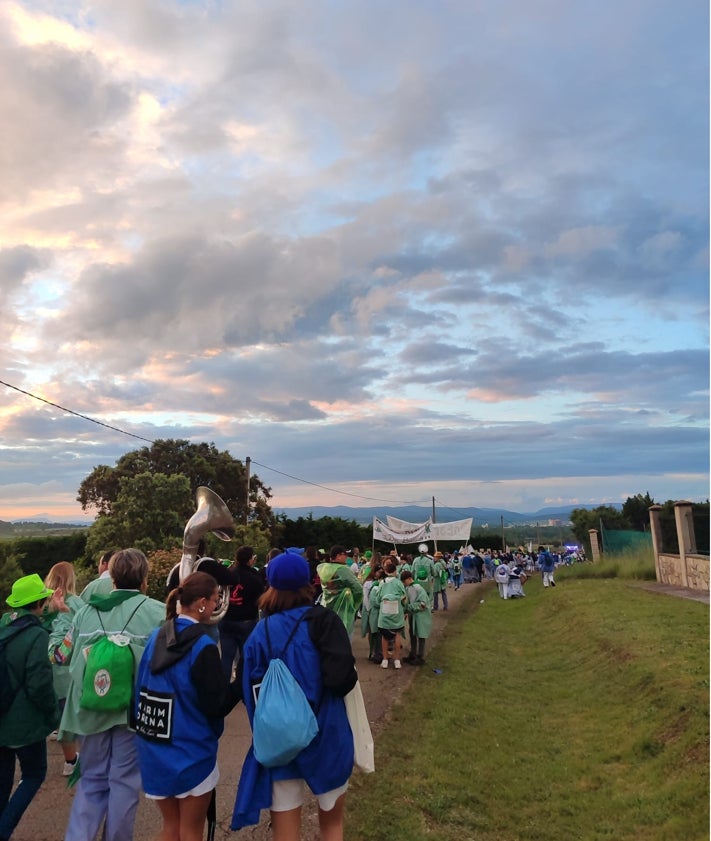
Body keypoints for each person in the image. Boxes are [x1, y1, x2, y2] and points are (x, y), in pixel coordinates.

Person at [231, 551, 358, 840]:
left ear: (270, 584)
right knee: (332, 826)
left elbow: (248, 690)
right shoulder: (324, 621)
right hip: (327, 736)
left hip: (279, 743)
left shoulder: (260, 632)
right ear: (308, 583)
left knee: (285, 833)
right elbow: (342, 681)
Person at [52, 548, 166, 841]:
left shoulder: (85, 613)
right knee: (125, 783)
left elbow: (62, 657)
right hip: (133, 710)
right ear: (144, 578)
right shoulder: (157, 611)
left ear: (111, 577)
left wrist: (63, 619)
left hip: (90, 709)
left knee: (91, 781)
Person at [134, 572, 240, 841]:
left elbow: (140, 690)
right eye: (215, 599)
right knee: (191, 831)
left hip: (154, 751)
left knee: (171, 827)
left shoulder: (155, 637)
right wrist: (240, 683)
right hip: (191, 753)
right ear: (202, 602)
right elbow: (216, 705)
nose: (217, 605)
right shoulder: (203, 647)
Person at [0, 574, 61, 841]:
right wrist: (52, 715)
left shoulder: (3, 626)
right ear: (39, 602)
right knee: (34, 774)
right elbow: (39, 685)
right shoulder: (37, 637)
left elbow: (27, 624)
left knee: (2, 782)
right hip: (24, 725)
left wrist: (48, 617)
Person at [198, 546, 266, 680]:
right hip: (246, 622)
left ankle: (224, 691)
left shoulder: (229, 573)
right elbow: (260, 600)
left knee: (226, 658)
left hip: (226, 621)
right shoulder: (255, 577)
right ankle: (243, 689)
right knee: (246, 659)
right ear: (250, 560)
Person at [45, 562, 84, 775]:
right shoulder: (76, 603)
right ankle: (74, 761)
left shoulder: (43, 604)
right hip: (70, 669)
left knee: (61, 717)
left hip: (49, 670)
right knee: (73, 718)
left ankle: (69, 760)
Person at [316, 546, 363, 637]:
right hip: (344, 609)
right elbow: (358, 588)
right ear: (338, 556)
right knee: (344, 636)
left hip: (326, 605)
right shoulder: (343, 569)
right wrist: (355, 603)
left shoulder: (324, 568)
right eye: (344, 554)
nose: (347, 557)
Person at [369, 559, 406, 670]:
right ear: (395, 571)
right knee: (397, 635)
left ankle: (385, 659)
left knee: (384, 636)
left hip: (384, 610)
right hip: (396, 611)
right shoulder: (398, 583)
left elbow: (378, 598)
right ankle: (396, 660)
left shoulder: (382, 583)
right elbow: (404, 597)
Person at [400, 570, 432, 666]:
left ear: (410, 579)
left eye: (405, 582)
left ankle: (420, 656)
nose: (404, 584)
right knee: (412, 633)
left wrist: (409, 607)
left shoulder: (418, 588)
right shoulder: (409, 588)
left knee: (421, 635)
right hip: (413, 615)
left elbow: (423, 604)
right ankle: (413, 653)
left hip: (421, 616)